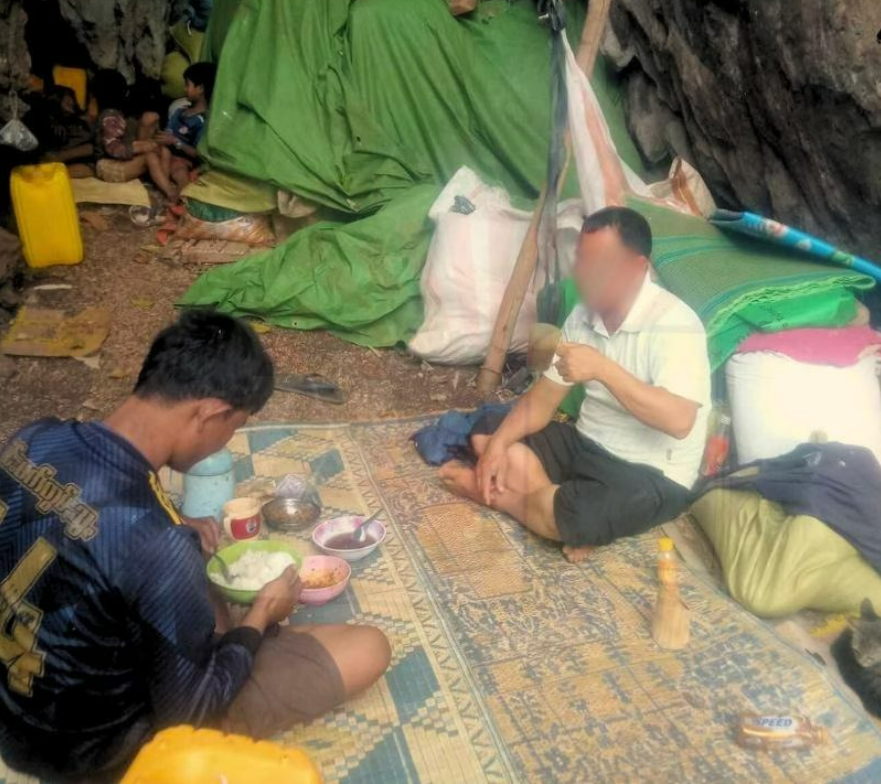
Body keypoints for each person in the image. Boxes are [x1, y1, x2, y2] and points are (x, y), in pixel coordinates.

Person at [0, 311, 391, 781]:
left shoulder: (34, 439)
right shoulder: (161, 546)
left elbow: (74, 518)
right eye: (234, 425)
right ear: (209, 412)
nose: (228, 440)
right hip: (99, 753)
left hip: (15, 720)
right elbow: (190, 714)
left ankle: (240, 638)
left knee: (192, 581)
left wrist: (175, 523)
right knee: (368, 646)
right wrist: (260, 617)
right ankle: (251, 636)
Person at [440, 206, 711, 563]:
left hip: (652, 473)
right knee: (487, 431)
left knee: (580, 513)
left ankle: (506, 498)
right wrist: (495, 449)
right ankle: (551, 511)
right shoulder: (583, 317)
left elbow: (679, 421)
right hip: (587, 444)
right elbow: (541, 402)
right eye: (582, 260)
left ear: (637, 268)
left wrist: (603, 369)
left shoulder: (675, 324)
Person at [143, 62, 216, 203]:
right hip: (164, 153)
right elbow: (167, 133)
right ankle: (169, 191)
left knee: (179, 172)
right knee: (152, 155)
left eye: (187, 85)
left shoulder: (203, 121)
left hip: (182, 160)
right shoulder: (179, 111)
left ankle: (183, 200)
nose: (184, 88)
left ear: (200, 88)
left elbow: (198, 154)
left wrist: (175, 142)